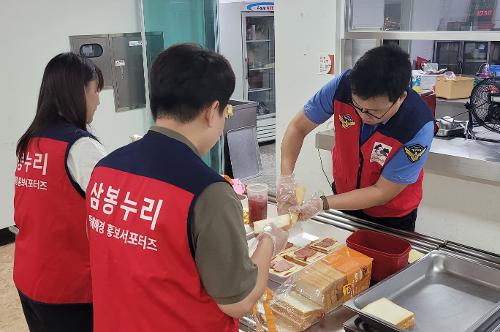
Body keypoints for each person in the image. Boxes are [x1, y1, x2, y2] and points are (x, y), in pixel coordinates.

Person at [86, 43, 288, 331]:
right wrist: (270, 241)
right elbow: (238, 301)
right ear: (212, 111)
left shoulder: (106, 168)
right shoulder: (208, 192)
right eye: (226, 111)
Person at [279, 45, 434, 231]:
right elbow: (297, 127)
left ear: (400, 97)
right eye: (357, 106)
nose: (363, 115)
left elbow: (381, 192)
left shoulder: (417, 125)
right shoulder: (341, 87)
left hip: (390, 216)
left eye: (374, 111)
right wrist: (286, 179)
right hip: (344, 200)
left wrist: (321, 203)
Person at [14, 52, 106, 332]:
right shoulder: (80, 147)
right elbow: (114, 210)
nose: (99, 100)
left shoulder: (31, 142)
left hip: (29, 275)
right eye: (95, 90)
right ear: (78, 93)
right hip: (69, 287)